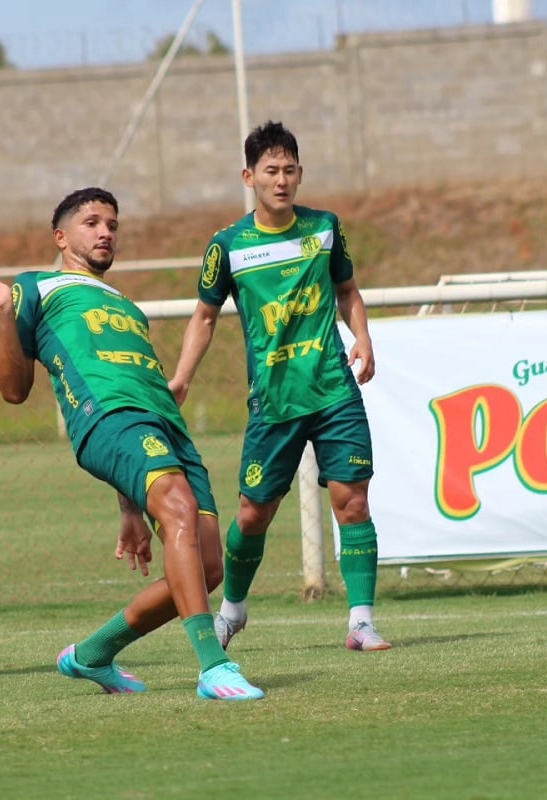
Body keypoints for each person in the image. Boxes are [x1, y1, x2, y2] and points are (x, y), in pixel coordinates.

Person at [0, 186, 264, 701]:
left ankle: (91, 655)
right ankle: (213, 666)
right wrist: (3, 316)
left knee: (208, 564)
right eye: (91, 222)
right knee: (178, 507)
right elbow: (12, 391)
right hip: (106, 418)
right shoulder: (34, 287)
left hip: (164, 424)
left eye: (112, 223)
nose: (105, 231)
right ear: (60, 236)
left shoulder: (125, 304)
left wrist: (128, 506)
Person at [168, 120, 392, 653]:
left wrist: (361, 338)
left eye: (290, 169)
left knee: (352, 502)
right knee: (252, 513)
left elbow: (348, 290)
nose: (282, 179)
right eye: (271, 170)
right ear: (249, 176)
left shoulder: (324, 228)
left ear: (300, 174)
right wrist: (181, 378)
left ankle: (361, 622)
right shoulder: (227, 247)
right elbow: (203, 317)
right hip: (273, 400)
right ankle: (233, 612)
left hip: (333, 389)